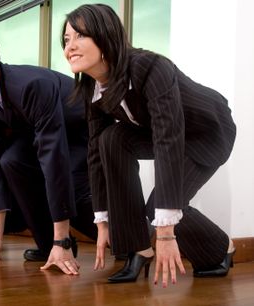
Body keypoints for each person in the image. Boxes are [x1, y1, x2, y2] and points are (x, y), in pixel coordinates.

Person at [61, 4, 237, 286]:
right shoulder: (91, 90)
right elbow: (95, 155)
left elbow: (169, 138)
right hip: (162, 132)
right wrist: (102, 219)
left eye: (80, 36)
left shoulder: (149, 66)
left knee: (159, 206)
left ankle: (222, 248)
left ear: (106, 36)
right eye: (66, 40)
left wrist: (166, 232)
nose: (70, 47)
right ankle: (138, 248)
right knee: (110, 139)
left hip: (207, 132)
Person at [0, 27, 97, 275]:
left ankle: (125, 242)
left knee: (69, 180)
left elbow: (53, 157)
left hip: (84, 133)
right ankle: (49, 244)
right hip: (44, 133)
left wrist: (64, 240)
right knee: (9, 161)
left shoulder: (31, 86)